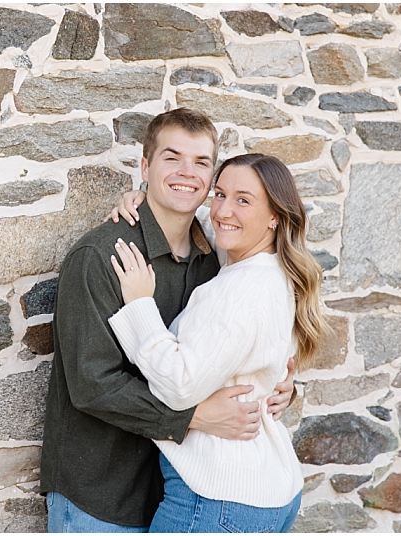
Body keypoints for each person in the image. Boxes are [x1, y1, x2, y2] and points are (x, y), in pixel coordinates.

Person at [40, 109, 296, 532]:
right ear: (145, 167)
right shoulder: (103, 257)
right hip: (101, 493)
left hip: (176, 494)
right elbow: (92, 384)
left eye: (200, 163)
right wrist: (194, 416)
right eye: (171, 158)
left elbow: (233, 343)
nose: (186, 173)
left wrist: (279, 385)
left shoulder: (216, 258)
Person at [106, 153, 329, 532]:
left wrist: (141, 305)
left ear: (275, 216)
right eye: (220, 194)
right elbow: (216, 226)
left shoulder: (241, 288)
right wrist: (145, 197)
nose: (223, 211)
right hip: (264, 490)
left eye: (243, 199)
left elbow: (180, 385)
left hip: (217, 500)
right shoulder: (271, 269)